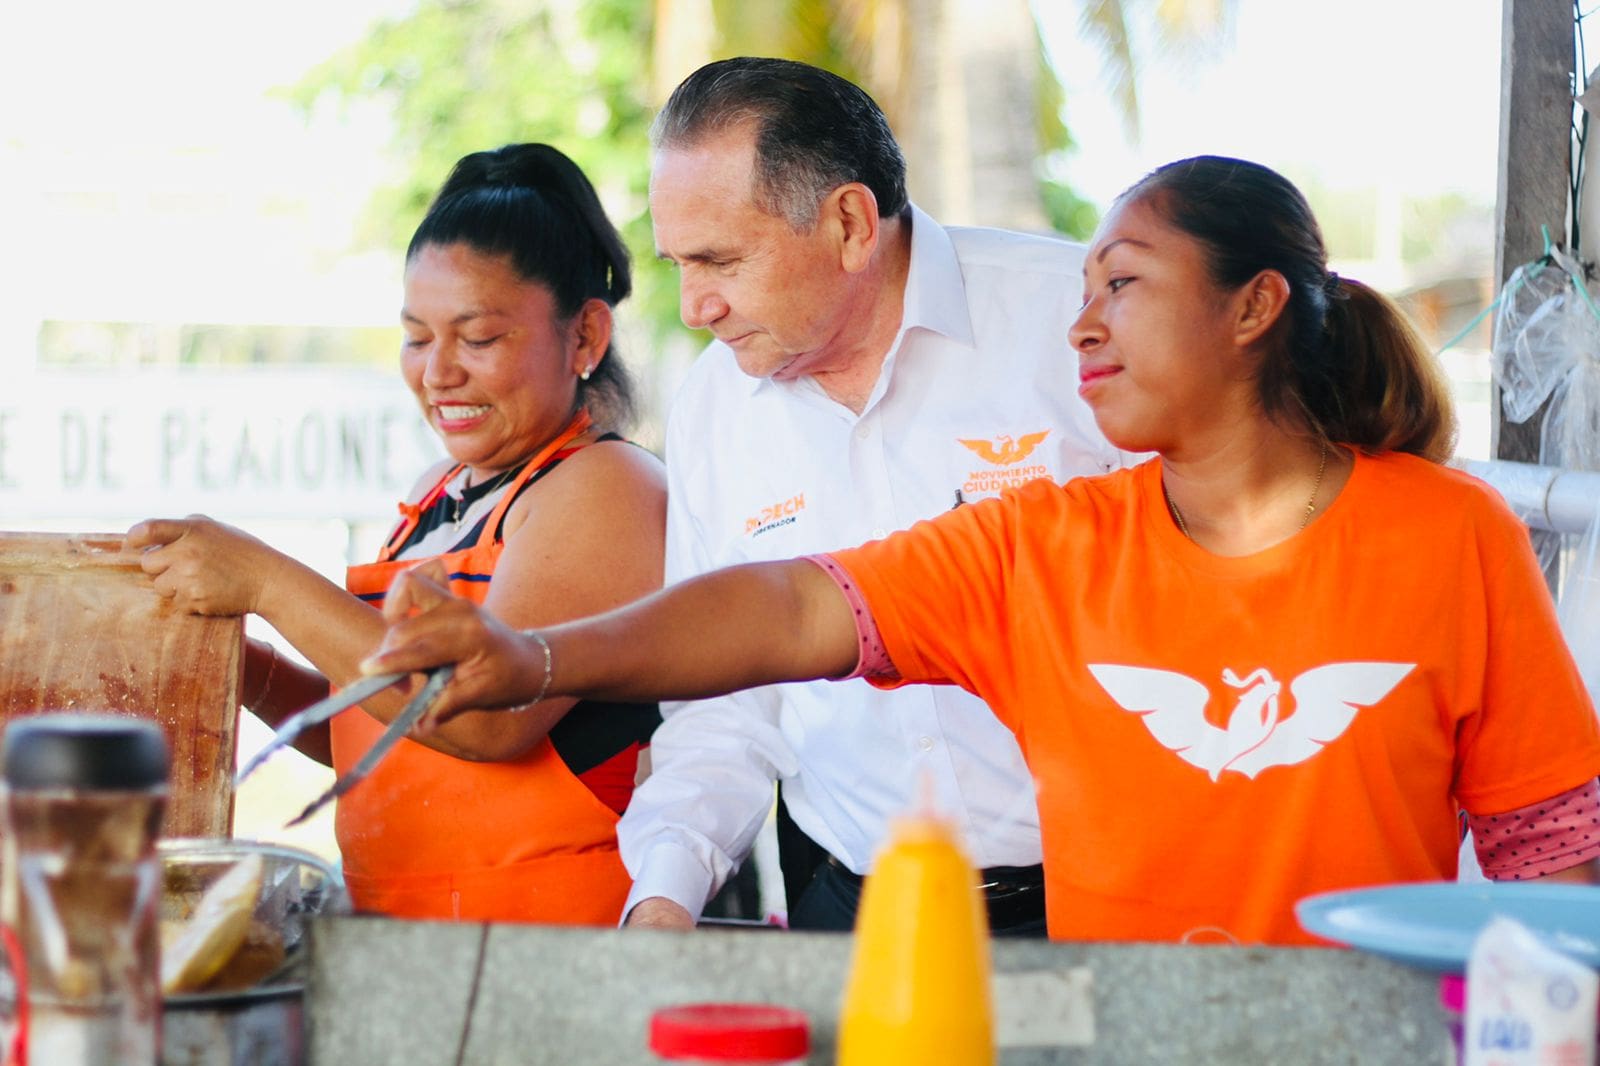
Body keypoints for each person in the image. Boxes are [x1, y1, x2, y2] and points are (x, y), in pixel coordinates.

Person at [362, 155, 1600, 945]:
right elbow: (792, 611)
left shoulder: (1450, 536)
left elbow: (1556, 859)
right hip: (1108, 1033)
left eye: (1120, 282)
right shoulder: (1045, 545)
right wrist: (533, 655)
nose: (1080, 320)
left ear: (1254, 305)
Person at [622, 57, 1129, 933]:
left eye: (719, 260)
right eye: (675, 263)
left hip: (1109, 899)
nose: (694, 305)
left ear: (851, 223)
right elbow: (725, 705)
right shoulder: (714, 403)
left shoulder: (1075, 321)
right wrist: (663, 895)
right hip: (855, 908)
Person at [127, 143, 667, 925]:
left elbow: (484, 717)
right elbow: (384, 726)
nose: (438, 372)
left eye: (477, 339)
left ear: (585, 337)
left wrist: (268, 582)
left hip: (550, 950)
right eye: (417, 337)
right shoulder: (433, 496)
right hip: (408, 943)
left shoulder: (607, 486)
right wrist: (237, 666)